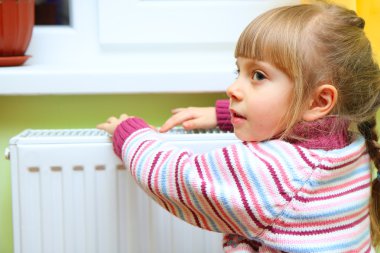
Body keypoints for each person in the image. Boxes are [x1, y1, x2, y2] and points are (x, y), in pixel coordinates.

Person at [97, 2, 380, 252]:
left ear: (318, 101)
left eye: (257, 75)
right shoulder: (353, 145)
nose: (232, 88)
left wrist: (132, 135)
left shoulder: (277, 173)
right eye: (238, 71)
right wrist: (224, 115)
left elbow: (178, 177)